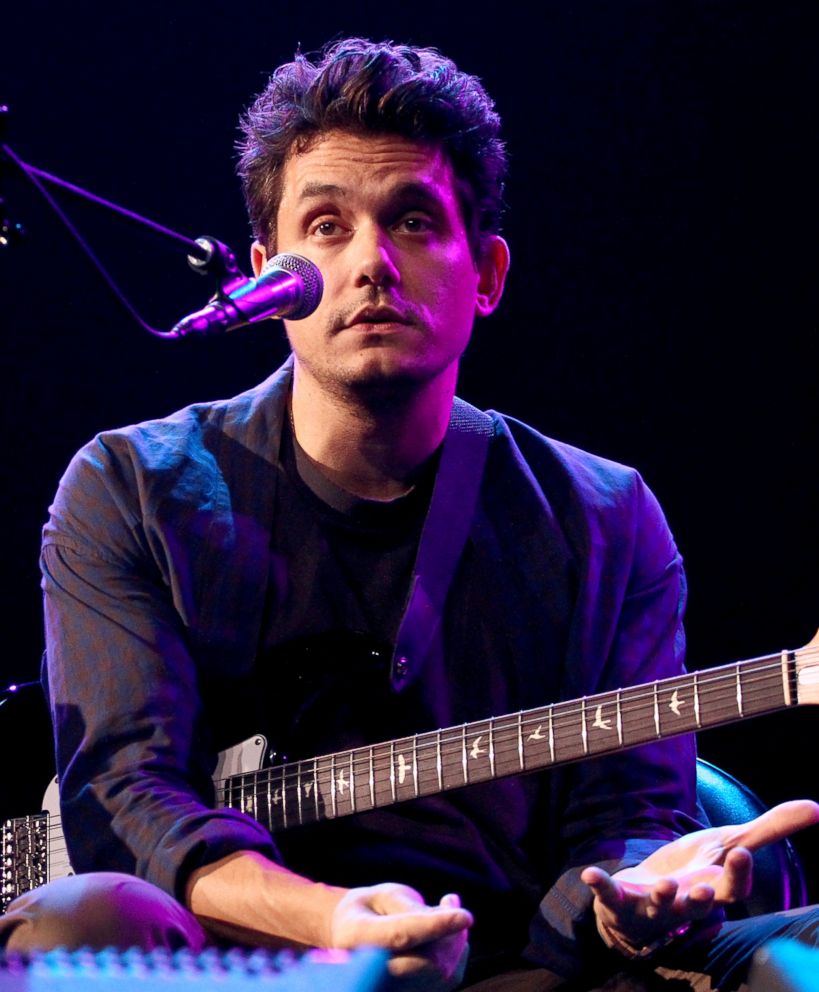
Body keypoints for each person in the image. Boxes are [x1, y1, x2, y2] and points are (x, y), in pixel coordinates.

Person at [1, 37, 817, 991]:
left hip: (519, 964)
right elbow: (128, 794)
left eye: (416, 222)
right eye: (327, 226)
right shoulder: (131, 486)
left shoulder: (605, 515)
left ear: (488, 274)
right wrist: (333, 920)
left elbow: (631, 812)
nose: (372, 263)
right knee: (74, 921)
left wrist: (625, 899)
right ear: (267, 275)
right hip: (235, 964)